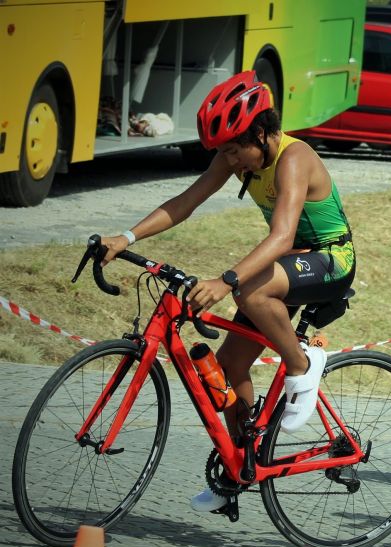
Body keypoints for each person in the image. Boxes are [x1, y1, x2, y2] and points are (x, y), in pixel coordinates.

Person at [99, 71, 356, 512]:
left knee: (248, 292)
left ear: (261, 132)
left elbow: (281, 235)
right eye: (224, 152)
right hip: (291, 263)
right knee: (231, 366)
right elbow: (184, 202)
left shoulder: (293, 158)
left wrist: (226, 281)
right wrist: (126, 237)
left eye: (235, 149)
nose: (230, 160)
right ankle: (239, 467)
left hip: (332, 261)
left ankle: (303, 361)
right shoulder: (237, 156)